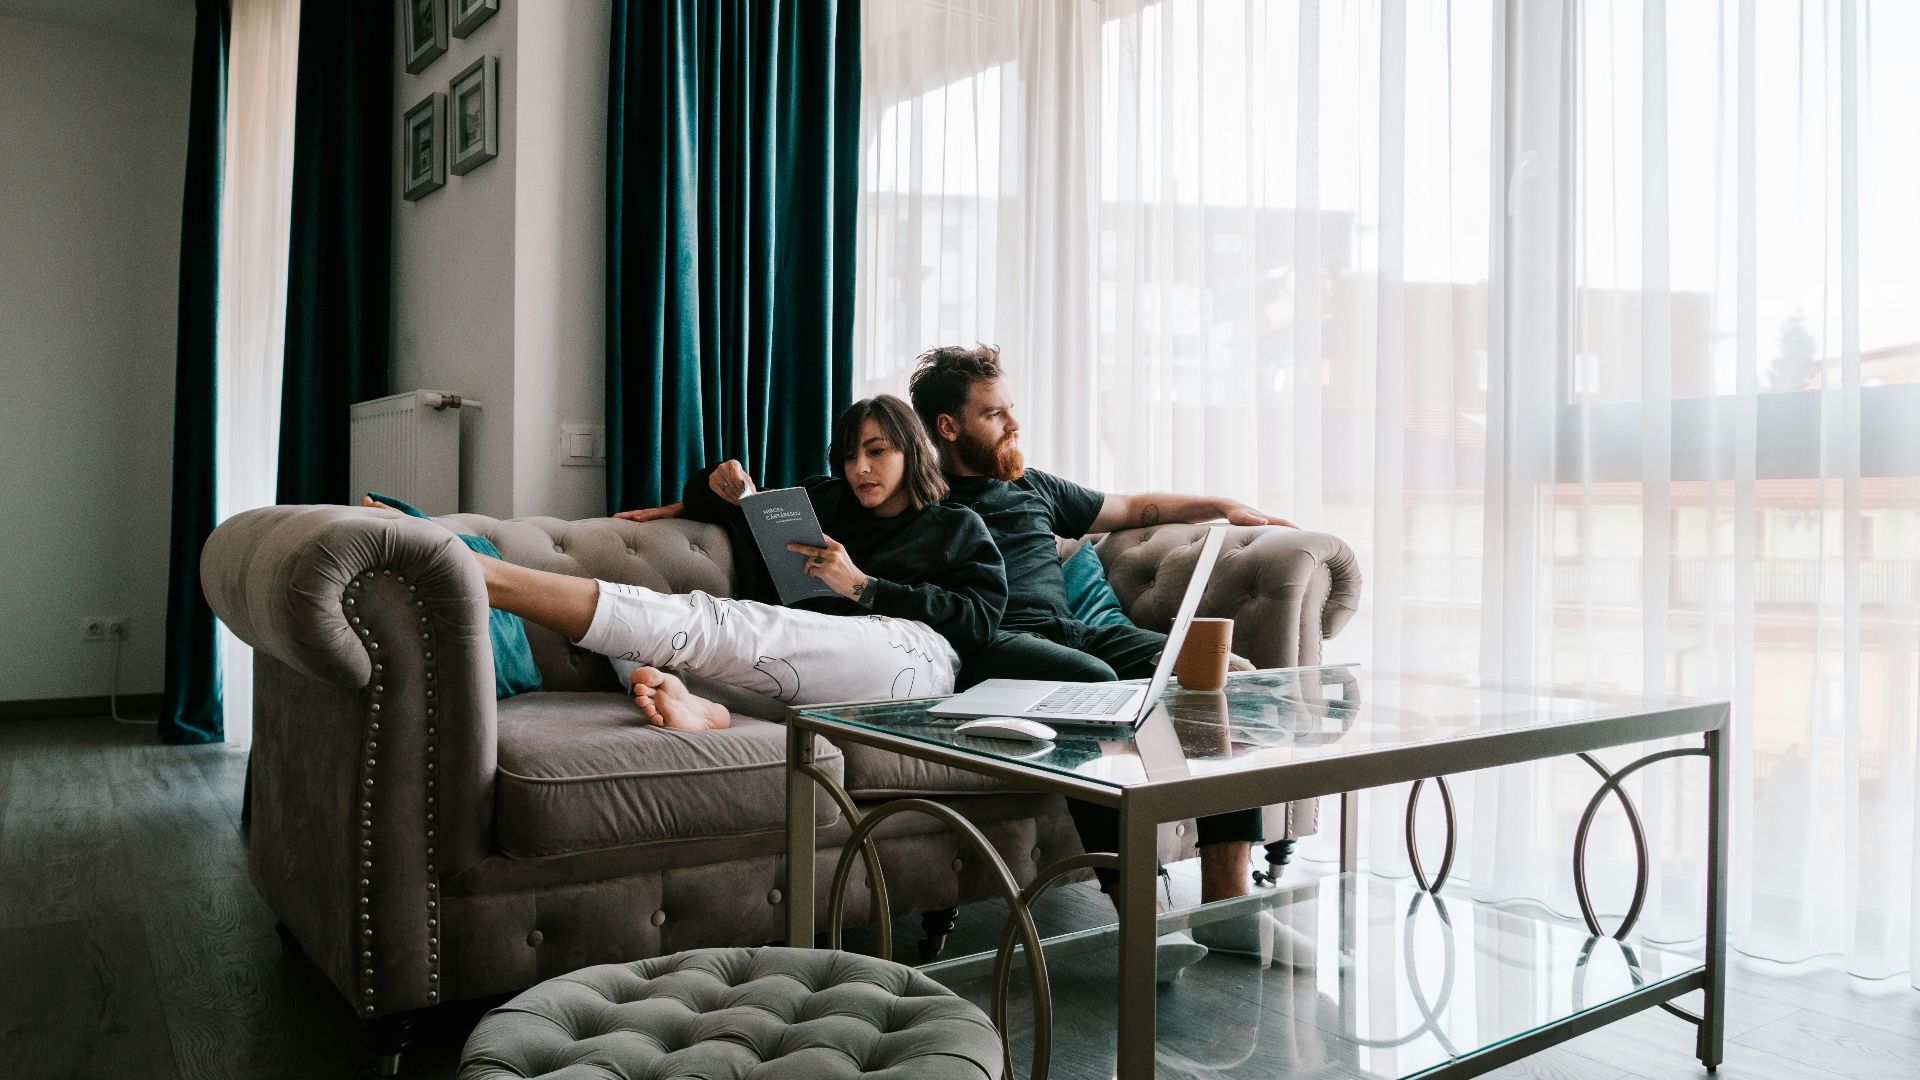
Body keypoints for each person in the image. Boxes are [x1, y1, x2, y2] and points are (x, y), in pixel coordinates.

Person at [907, 343, 1315, 970]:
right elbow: (798, 508)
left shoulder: (1033, 486)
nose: (1014, 424)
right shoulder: (915, 500)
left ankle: (1230, 908)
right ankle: (1144, 928)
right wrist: (710, 490)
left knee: (1218, 677)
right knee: (1093, 689)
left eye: (1011, 409)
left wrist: (1222, 506)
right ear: (948, 426)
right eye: (995, 414)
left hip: (1078, 631)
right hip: (998, 645)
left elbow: (1136, 508)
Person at [478, 395, 1007, 728]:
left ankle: (490, 577)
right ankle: (710, 709)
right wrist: (714, 483)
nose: (860, 468)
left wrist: (864, 587)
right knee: (650, 655)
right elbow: (738, 509)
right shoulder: (827, 501)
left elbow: (980, 621)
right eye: (849, 455)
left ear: (912, 451)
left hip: (913, 659)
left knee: (724, 626)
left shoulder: (956, 526)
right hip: (813, 664)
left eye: (877, 451)